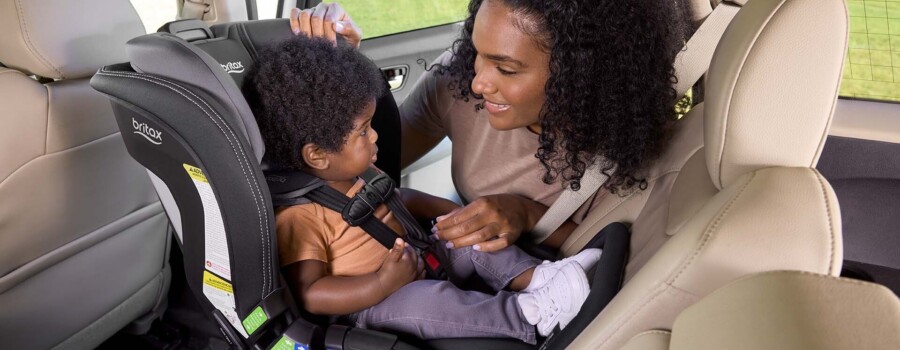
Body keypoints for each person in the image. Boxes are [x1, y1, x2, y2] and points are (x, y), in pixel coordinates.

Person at [244, 35, 602, 343]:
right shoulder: (300, 217)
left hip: (421, 256)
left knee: (473, 238)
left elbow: (402, 200)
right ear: (317, 155)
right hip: (377, 304)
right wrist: (380, 284)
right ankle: (531, 314)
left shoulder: (361, 174)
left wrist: (456, 215)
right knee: (429, 301)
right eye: (363, 131)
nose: (375, 135)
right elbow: (311, 293)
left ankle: (541, 277)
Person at [289, 1, 691, 252]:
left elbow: (603, 251)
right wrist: (344, 70)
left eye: (506, 68)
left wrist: (527, 214)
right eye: (477, 52)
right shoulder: (458, 79)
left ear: (580, 74)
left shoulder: (622, 151)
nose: (478, 82)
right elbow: (373, 163)